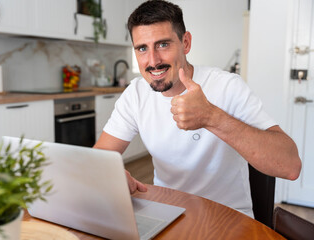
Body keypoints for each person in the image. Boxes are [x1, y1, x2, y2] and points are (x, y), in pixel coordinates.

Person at [93, 0, 301, 217]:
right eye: (142, 48)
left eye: (163, 44)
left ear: (186, 43)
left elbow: (290, 166)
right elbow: (98, 158)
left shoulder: (227, 86)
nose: (153, 61)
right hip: (166, 213)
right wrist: (113, 172)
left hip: (228, 217)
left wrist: (211, 117)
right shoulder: (136, 93)